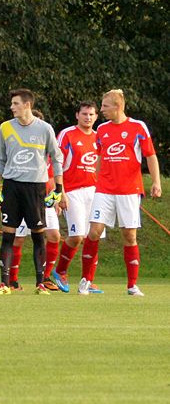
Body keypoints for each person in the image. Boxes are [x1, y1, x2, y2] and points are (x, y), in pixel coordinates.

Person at [78, 89, 161, 297]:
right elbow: (99, 157)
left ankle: (132, 285)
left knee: (129, 235)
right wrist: (95, 181)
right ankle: (86, 280)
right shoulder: (102, 130)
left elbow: (150, 155)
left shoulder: (138, 127)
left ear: (117, 107)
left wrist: (156, 182)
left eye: (105, 106)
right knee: (94, 231)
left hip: (129, 190)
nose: (102, 110)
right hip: (104, 189)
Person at [0, 89, 63, 295]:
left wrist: (58, 189)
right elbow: (0, 158)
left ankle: (40, 283)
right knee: (8, 236)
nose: (12, 107)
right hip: (12, 186)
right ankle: (5, 284)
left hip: (36, 188)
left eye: (15, 103)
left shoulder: (44, 129)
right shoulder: (5, 127)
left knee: (38, 236)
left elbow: (56, 158)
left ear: (27, 105)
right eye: (12, 103)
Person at [51, 101, 101, 293]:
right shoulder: (67, 134)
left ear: (96, 117)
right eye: (84, 114)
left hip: (95, 192)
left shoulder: (99, 137)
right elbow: (56, 163)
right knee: (77, 236)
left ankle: (87, 280)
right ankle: (60, 272)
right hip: (72, 191)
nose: (88, 118)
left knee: (93, 236)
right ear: (77, 115)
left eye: (91, 114)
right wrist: (59, 191)